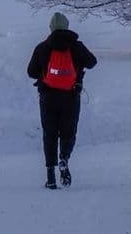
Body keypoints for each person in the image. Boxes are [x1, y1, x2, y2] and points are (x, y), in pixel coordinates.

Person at [27, 12, 97, 189]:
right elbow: (92, 62)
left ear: (50, 28)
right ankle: (64, 158)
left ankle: (50, 177)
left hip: (48, 98)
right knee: (68, 132)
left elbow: (31, 72)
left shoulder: (43, 47)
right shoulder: (76, 46)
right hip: (71, 97)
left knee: (49, 135)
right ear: (67, 26)